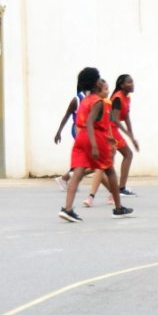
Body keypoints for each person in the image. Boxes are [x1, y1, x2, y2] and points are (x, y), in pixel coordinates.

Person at [59, 69, 133, 222]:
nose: (101, 81)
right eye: (99, 79)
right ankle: (118, 208)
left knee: (78, 173)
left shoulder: (85, 100)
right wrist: (94, 144)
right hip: (94, 137)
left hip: (80, 138)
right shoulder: (98, 101)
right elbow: (91, 123)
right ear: (94, 83)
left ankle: (67, 209)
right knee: (110, 171)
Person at [53, 69, 93, 191]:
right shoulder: (77, 99)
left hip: (87, 130)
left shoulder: (91, 97)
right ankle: (67, 178)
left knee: (86, 159)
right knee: (88, 158)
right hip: (78, 129)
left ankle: (67, 178)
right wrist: (58, 132)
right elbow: (66, 116)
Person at [109, 74, 139, 196]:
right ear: (122, 85)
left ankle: (69, 176)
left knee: (104, 163)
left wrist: (132, 137)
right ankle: (121, 188)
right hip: (110, 129)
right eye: (129, 82)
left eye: (132, 81)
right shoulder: (117, 98)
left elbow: (126, 118)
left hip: (113, 129)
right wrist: (127, 134)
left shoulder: (126, 98)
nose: (132, 84)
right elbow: (115, 119)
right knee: (128, 154)